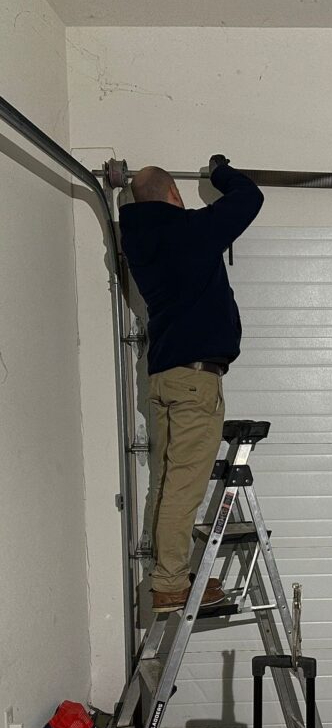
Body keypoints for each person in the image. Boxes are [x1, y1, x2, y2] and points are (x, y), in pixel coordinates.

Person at [119, 156, 265, 612]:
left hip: (163, 378)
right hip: (194, 382)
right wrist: (220, 171)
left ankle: (171, 577)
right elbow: (250, 198)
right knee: (183, 488)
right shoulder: (191, 231)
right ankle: (170, 585)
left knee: (166, 484)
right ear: (175, 195)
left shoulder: (137, 242)